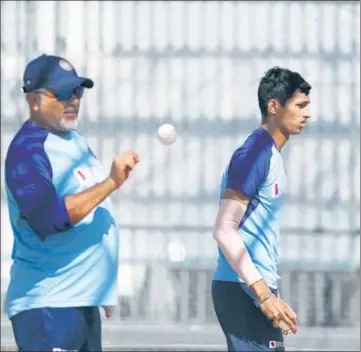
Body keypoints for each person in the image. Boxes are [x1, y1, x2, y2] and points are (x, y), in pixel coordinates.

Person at [4, 54, 140, 351]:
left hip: (79, 301)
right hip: (48, 307)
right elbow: (48, 218)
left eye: (78, 91)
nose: (74, 100)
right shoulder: (27, 151)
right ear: (33, 100)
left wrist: (98, 286)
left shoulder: (72, 140)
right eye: (63, 93)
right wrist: (111, 183)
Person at [212, 67, 312, 351]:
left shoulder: (272, 155)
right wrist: (263, 294)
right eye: (300, 106)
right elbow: (223, 230)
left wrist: (268, 291)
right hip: (241, 289)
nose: (307, 115)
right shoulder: (255, 153)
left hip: (253, 287)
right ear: (274, 107)